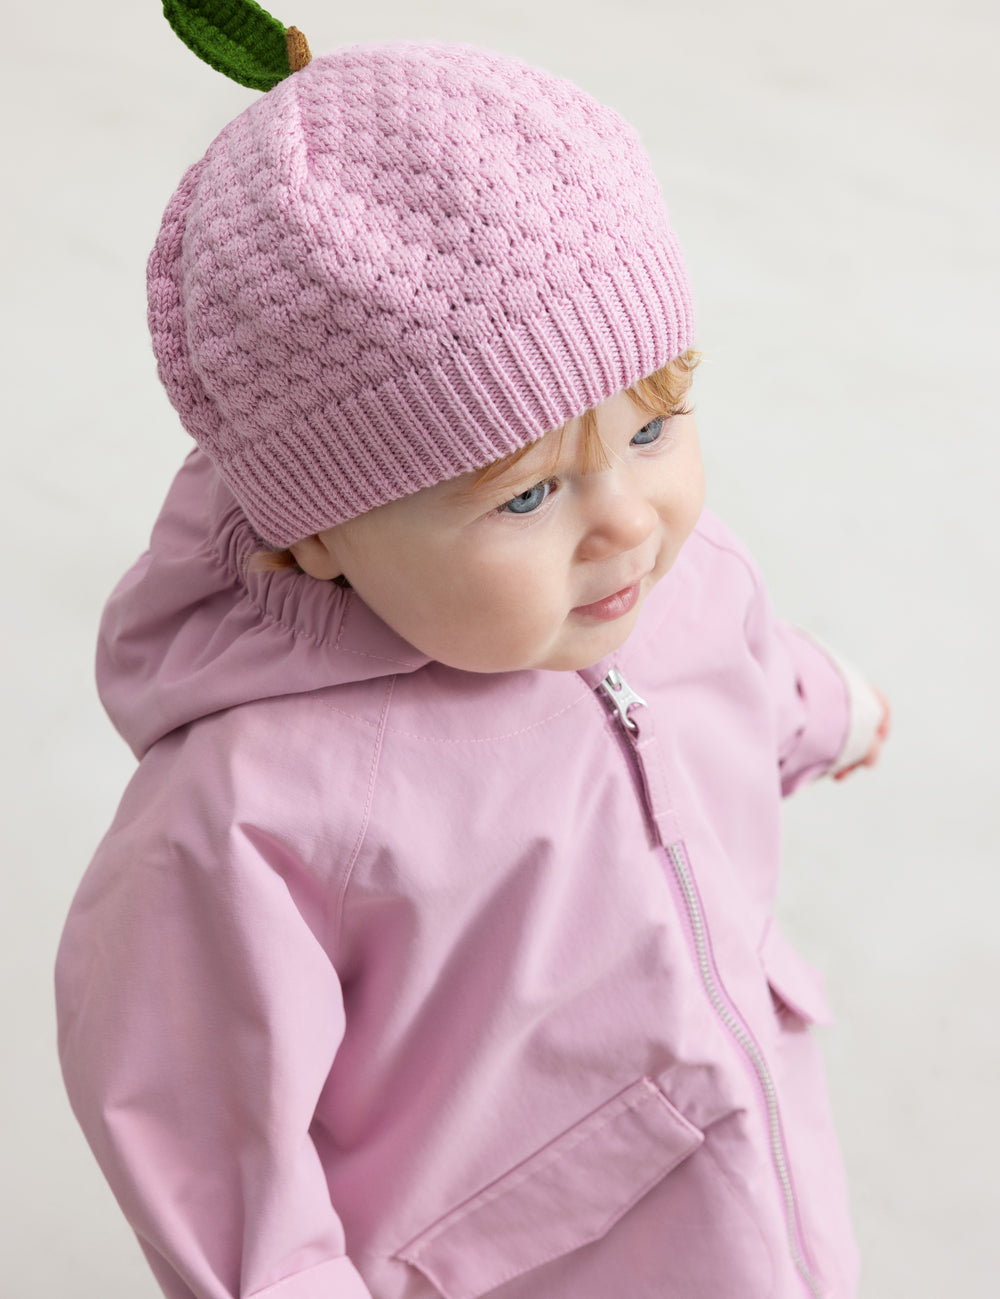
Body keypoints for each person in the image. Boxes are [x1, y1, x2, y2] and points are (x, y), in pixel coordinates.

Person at [55, 27, 890, 1299]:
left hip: (754, 1207)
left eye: (654, 425)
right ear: (318, 533)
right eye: (527, 495)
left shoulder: (670, 578)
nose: (627, 522)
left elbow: (722, 672)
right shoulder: (247, 817)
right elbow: (213, 1169)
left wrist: (825, 705)